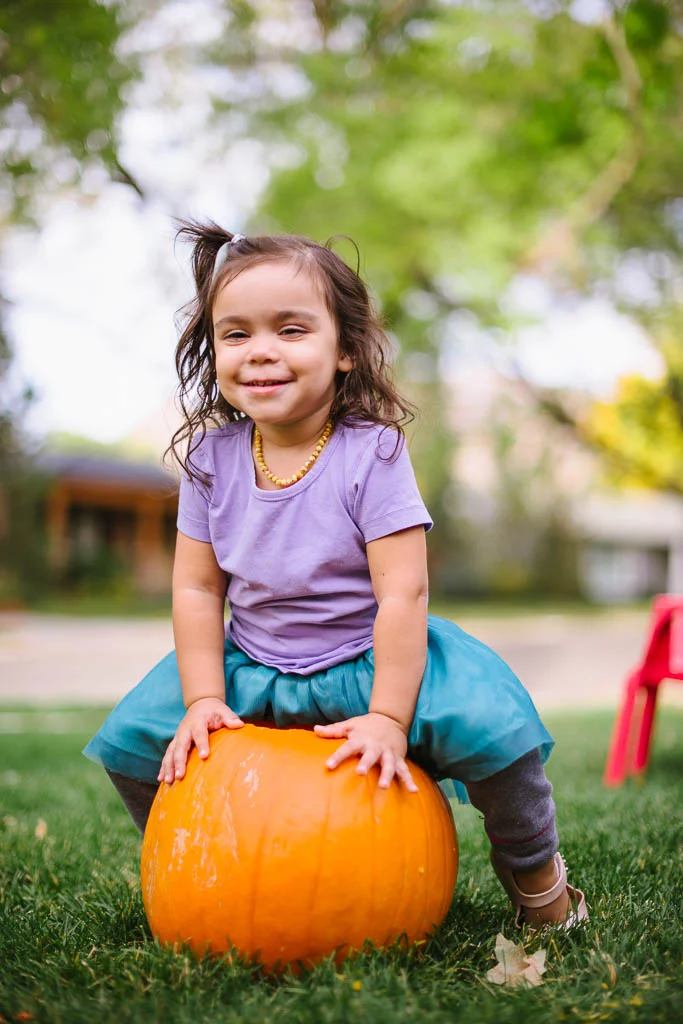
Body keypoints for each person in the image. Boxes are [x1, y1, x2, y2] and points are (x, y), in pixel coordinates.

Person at [84, 224, 588, 929]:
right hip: (252, 663)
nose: (261, 350)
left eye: (290, 330)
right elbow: (197, 589)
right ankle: (207, 856)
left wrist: (388, 716)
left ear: (345, 350)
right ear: (215, 353)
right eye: (236, 335)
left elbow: (402, 592)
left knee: (497, 740)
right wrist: (201, 699)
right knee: (135, 740)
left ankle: (540, 886)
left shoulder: (372, 453)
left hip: (364, 656)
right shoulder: (211, 459)